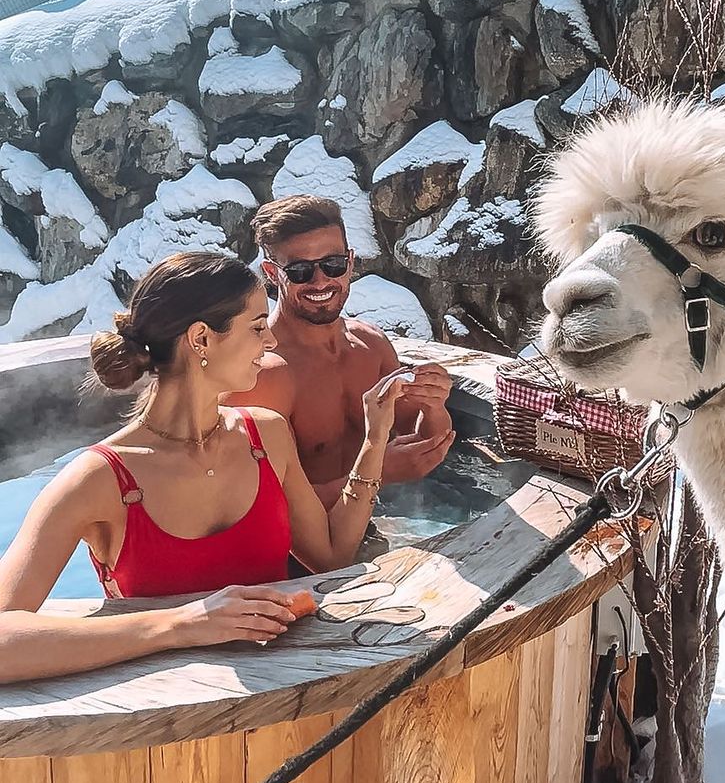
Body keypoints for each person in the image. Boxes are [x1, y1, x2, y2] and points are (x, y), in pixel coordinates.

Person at [0, 251, 412, 685]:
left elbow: (333, 556)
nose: (270, 342)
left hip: (287, 702)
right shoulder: (100, 479)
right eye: (256, 328)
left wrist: (375, 439)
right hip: (164, 732)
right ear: (201, 340)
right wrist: (180, 624)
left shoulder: (265, 434)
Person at [236, 194, 454, 507]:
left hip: (373, 520)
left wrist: (434, 406)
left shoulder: (372, 345)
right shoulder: (259, 372)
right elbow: (259, 507)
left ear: (350, 262)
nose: (321, 281)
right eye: (300, 271)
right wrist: (378, 473)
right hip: (301, 552)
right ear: (272, 274)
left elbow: (421, 445)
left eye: (333, 265)